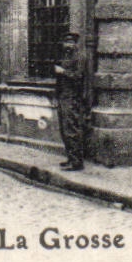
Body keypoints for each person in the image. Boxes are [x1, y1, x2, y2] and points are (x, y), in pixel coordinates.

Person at [53, 32, 89, 171]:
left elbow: (78, 76)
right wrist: (57, 96)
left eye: (70, 42)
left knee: (71, 129)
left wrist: (63, 72)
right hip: (63, 96)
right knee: (64, 130)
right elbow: (59, 81)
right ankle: (70, 158)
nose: (67, 45)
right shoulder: (66, 56)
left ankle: (76, 162)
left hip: (73, 97)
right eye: (66, 42)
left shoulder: (80, 57)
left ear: (75, 44)